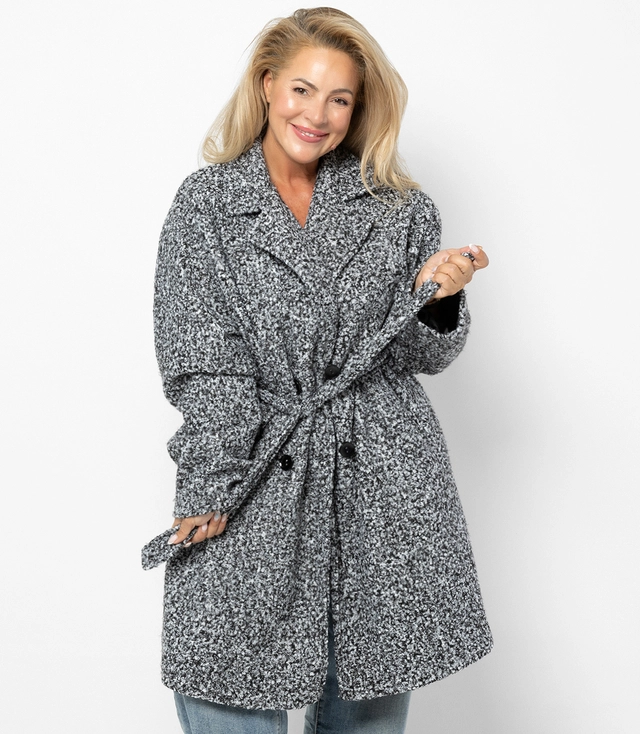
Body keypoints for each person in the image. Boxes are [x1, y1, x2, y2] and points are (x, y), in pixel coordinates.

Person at [141, 7, 493, 733]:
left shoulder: (399, 210)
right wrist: (208, 482)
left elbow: (420, 359)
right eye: (302, 90)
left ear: (358, 109)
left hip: (383, 486)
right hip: (256, 474)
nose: (317, 115)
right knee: (223, 684)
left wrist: (436, 299)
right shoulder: (207, 206)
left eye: (340, 99)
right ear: (266, 85)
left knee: (367, 703)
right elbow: (206, 363)